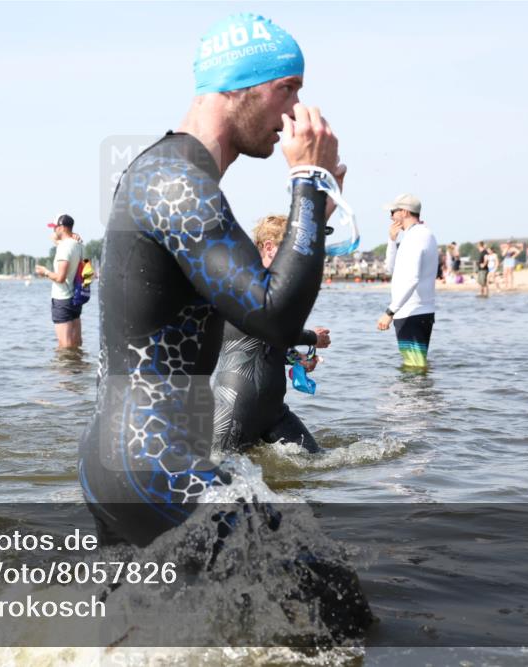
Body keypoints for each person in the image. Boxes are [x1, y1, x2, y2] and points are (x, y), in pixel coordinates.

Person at [80, 12, 344, 547]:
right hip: (151, 462)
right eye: (286, 90)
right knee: (335, 606)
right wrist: (308, 183)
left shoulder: (173, 175)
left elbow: (250, 301)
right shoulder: (177, 182)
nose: (295, 112)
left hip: (131, 458)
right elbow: (275, 316)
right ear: (236, 89)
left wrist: (316, 206)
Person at [212, 214, 331, 454]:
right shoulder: (244, 284)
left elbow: (268, 341)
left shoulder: (277, 292)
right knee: (223, 482)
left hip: (274, 411)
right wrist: (311, 338)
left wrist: (298, 360)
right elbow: (270, 326)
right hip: (235, 409)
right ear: (269, 248)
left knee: (316, 464)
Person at [377, 194, 438, 369]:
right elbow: (391, 268)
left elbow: (412, 279)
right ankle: (417, 396)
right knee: (415, 366)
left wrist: (389, 312)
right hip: (414, 311)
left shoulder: (417, 237)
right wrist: (391, 240)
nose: (390, 217)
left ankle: (414, 397)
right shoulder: (416, 235)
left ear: (404, 212)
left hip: (412, 312)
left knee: (414, 368)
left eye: (393, 212)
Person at [34, 214, 84, 348]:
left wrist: (44, 271)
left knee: (65, 345)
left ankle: (64, 368)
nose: (53, 231)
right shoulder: (78, 245)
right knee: (76, 342)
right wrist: (73, 234)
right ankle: (77, 367)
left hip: (62, 299)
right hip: (76, 298)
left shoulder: (64, 248)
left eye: (55, 227)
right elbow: (54, 238)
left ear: (61, 228)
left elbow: (60, 278)